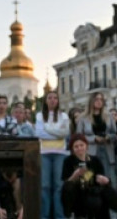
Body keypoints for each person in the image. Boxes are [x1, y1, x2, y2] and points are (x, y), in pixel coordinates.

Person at [61, 134, 117, 219]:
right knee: (68, 188)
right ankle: (71, 215)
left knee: (107, 191)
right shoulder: (68, 161)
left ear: (86, 146)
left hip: (93, 191)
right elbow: (66, 183)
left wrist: (105, 180)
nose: (79, 148)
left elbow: (102, 178)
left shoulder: (95, 160)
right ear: (72, 149)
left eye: (81, 145)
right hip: (76, 192)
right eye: (76, 147)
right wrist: (74, 176)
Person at [36, 91, 69, 219]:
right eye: (50, 98)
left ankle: (59, 215)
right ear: (45, 100)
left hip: (60, 153)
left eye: (55, 98)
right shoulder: (40, 116)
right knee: (45, 186)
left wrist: (48, 129)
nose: (53, 100)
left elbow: (65, 133)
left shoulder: (63, 116)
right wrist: (57, 132)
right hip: (44, 153)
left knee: (58, 186)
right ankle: (45, 215)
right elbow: (39, 133)